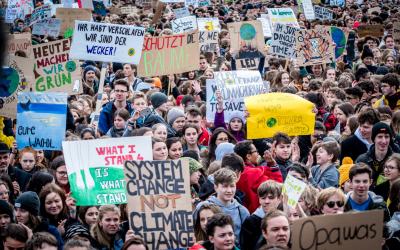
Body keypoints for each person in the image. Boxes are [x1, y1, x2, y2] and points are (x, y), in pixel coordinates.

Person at [194, 168, 249, 245]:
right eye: (225, 186)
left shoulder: (242, 211)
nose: (229, 190)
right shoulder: (203, 207)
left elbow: (244, 241)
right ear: (216, 187)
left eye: (232, 186)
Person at [234, 140, 283, 213]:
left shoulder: (237, 171)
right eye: (256, 151)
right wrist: (273, 166)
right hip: (259, 213)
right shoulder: (253, 173)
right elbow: (276, 189)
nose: (258, 154)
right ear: (248, 156)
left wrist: (270, 164)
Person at [240, 180, 282, 250]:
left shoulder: (285, 219)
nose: (266, 201)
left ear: (279, 199)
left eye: (271, 198)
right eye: (263, 198)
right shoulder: (250, 222)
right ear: (259, 200)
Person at [356, 122, 394, 190]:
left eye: (387, 137)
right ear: (374, 139)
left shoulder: (396, 160)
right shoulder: (362, 160)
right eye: (380, 137)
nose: (384, 141)